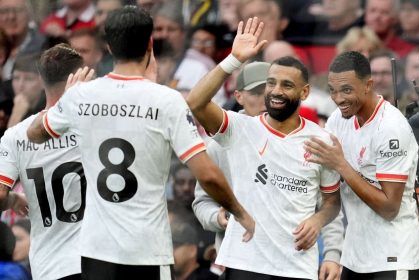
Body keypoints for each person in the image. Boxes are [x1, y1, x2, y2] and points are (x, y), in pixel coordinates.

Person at [26, 6, 254, 280]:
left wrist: (66, 100)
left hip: (95, 250)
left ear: (109, 46)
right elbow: (206, 174)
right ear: (149, 43)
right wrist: (240, 213)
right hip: (146, 249)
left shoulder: (81, 97)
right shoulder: (165, 100)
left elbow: (35, 134)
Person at [187, 17, 341, 280]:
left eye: (286, 85)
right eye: (271, 83)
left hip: (297, 266)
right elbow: (196, 102)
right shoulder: (240, 128)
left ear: (305, 93)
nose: (275, 91)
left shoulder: (321, 140)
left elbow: (331, 203)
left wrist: (317, 222)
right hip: (245, 262)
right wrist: (233, 60)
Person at [304, 51, 419, 279]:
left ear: (368, 85)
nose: (338, 99)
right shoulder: (338, 119)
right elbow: (326, 184)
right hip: (354, 256)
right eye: (332, 90)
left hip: (393, 256)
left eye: (347, 90)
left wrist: (341, 164)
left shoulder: (390, 126)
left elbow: (389, 208)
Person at [0, 43, 89, 280]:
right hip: (97, 262)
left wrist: (10, 199)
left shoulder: (15, 136)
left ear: (41, 79)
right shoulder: (93, 125)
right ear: (80, 76)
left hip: (49, 268)